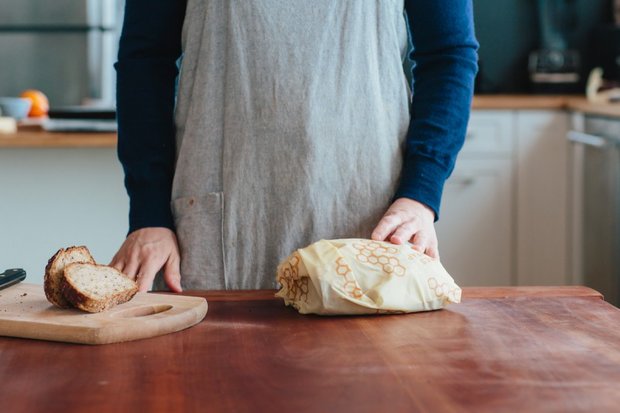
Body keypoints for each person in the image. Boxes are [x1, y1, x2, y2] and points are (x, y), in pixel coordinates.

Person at [111, 0, 478, 292]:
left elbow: (448, 54)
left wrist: (420, 195)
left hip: (369, 217)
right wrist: (150, 215)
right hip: (215, 230)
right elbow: (145, 59)